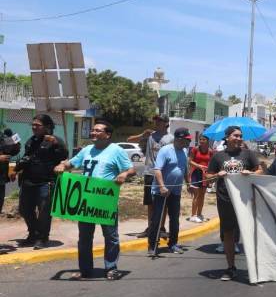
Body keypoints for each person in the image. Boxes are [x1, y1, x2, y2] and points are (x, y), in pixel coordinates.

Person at [54, 120, 135, 280]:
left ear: (107, 134)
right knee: (84, 237)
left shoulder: (116, 151)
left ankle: (111, 268)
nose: (93, 133)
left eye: (97, 130)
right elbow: (71, 163)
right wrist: (62, 165)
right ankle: (85, 270)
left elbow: (131, 169)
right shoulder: (87, 150)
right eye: (93, 130)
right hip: (86, 201)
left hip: (105, 201)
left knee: (110, 236)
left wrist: (124, 174)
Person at [206, 126, 262, 281]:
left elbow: (259, 170)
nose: (239, 138)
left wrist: (251, 172)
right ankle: (231, 267)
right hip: (225, 199)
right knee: (229, 233)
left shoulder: (248, 154)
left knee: (251, 231)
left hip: (246, 199)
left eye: (240, 136)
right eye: (235, 136)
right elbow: (208, 176)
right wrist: (217, 174)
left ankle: (257, 266)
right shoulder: (218, 156)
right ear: (227, 137)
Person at [16, 114, 68, 249]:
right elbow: (27, 157)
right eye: (33, 125)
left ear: (47, 127)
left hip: (46, 182)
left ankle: (42, 238)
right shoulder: (31, 141)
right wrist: (18, 170)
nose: (34, 128)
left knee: (44, 211)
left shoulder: (55, 141)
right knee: (24, 209)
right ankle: (32, 234)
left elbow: (64, 157)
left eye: (37, 125)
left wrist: (57, 144)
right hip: (28, 181)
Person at [148, 128, 193, 256]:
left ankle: (173, 244)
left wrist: (188, 184)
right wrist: (162, 186)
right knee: (156, 218)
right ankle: (152, 245)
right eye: (187, 139)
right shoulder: (165, 150)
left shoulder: (184, 151)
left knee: (174, 219)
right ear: (179, 138)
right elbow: (157, 170)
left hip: (175, 191)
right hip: (161, 191)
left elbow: (184, 169)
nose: (189, 142)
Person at [127, 115, 173, 237]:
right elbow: (129, 139)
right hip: (149, 172)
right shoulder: (150, 135)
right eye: (156, 120)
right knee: (150, 203)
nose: (157, 122)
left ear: (166, 123)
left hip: (163, 174)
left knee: (163, 202)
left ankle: (161, 228)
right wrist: (142, 134)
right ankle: (151, 228)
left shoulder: (171, 139)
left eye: (160, 120)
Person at [188, 134, 212, 223]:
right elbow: (189, 161)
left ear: (207, 141)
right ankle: (193, 215)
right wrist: (199, 166)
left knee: (202, 196)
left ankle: (199, 214)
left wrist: (210, 174)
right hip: (195, 173)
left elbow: (211, 163)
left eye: (204, 139)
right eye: (200, 139)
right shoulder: (195, 149)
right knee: (196, 195)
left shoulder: (210, 151)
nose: (202, 141)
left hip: (205, 175)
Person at [0, 128, 21, 215]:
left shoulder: (2, 136)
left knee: (1, 196)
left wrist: (16, 145)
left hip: (1, 173)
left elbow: (12, 153)